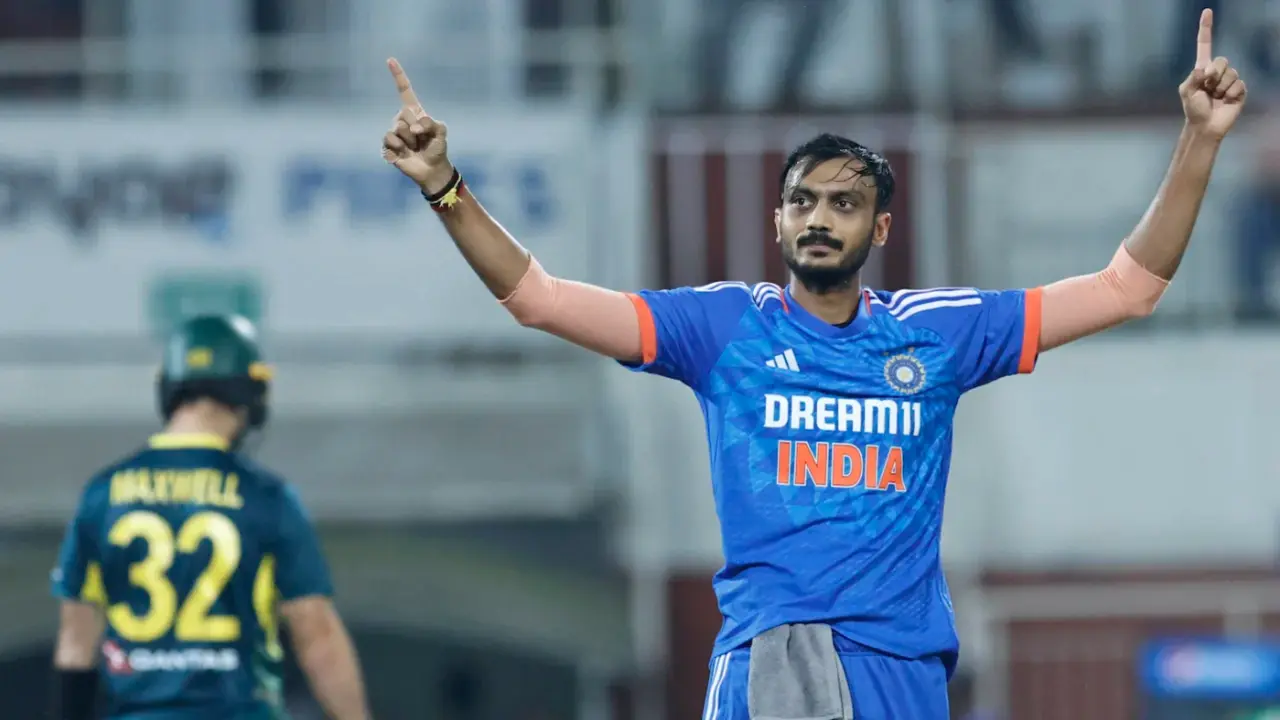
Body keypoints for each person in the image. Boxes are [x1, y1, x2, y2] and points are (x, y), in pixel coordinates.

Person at [380, 9, 1244, 717]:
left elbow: (1128, 289)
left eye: (844, 202)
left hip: (905, 666)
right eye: (801, 200)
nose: (819, 217)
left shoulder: (936, 334)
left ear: (882, 230)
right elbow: (538, 298)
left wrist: (1199, 141)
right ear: (779, 223)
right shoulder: (722, 327)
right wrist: (445, 186)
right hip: (777, 656)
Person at [49, 315, 370, 720]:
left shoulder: (102, 495)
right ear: (249, 392)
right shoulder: (266, 497)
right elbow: (315, 630)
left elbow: (76, 645)